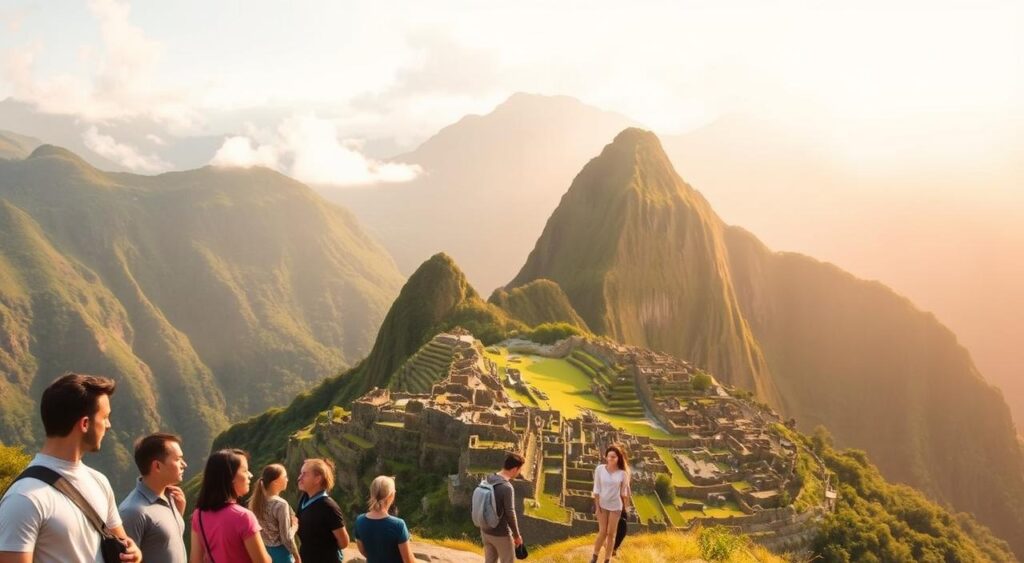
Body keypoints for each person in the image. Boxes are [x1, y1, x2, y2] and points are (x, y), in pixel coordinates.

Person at [0, 372, 143, 563]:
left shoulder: (99, 481)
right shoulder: (24, 499)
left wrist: (134, 553)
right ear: (85, 424)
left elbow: (122, 543)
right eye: (105, 417)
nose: (108, 426)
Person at [189, 448, 271, 563]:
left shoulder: (199, 514)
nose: (250, 475)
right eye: (245, 471)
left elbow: (195, 560)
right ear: (231, 477)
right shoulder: (244, 516)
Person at [119, 432, 189, 563]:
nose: (184, 464)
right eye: (178, 459)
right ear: (157, 466)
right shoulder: (132, 511)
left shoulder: (169, 497)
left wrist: (179, 514)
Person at [295, 458, 349, 563]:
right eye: (300, 473)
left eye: (305, 474)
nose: (299, 478)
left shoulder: (328, 507)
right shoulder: (304, 499)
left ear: (318, 479)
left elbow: (344, 542)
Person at [354, 475, 415, 563]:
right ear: (391, 496)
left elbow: (363, 551)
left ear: (372, 494)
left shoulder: (360, 521)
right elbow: (408, 560)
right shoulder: (398, 525)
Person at [249, 464, 300, 563]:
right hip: (281, 553)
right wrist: (294, 527)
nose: (287, 480)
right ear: (276, 482)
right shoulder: (281, 504)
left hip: (264, 550)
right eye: (285, 477)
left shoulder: (256, 502)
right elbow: (286, 538)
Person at [480, 453, 525, 563]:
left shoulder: (489, 478)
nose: (519, 472)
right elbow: (510, 514)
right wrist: (517, 536)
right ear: (514, 469)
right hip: (501, 534)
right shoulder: (506, 487)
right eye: (519, 469)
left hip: (485, 531)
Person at [590, 444, 632, 563]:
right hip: (602, 505)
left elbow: (624, 492)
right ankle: (594, 557)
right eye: (609, 456)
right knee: (602, 532)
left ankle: (607, 560)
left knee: (611, 534)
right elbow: (596, 489)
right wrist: (597, 507)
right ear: (606, 457)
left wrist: (626, 508)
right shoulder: (600, 469)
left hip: (615, 507)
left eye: (614, 457)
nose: (611, 459)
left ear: (618, 458)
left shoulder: (623, 474)